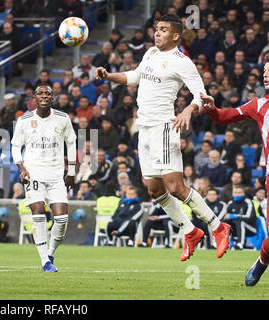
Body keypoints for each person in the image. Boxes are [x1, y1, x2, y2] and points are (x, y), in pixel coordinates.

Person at [94, 13, 230, 262]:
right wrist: (109, 76)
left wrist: (188, 109)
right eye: (157, 28)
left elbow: (202, 94)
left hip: (164, 128)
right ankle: (190, 231)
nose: (157, 32)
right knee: (154, 189)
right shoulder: (150, 53)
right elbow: (135, 76)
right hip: (143, 129)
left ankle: (217, 226)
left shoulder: (182, 62)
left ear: (176, 35)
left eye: (164, 29)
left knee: (176, 187)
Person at [200, 55, 269, 285]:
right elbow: (223, 117)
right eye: (265, 70)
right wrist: (212, 108)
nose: (266, 75)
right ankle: (262, 261)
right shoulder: (258, 105)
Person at [11, 84, 77, 272]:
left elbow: (71, 143)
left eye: (48, 93)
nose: (44, 96)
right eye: (40, 93)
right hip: (34, 174)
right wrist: (21, 168)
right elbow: (16, 146)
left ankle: (50, 253)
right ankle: (45, 262)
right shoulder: (24, 120)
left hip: (56, 176)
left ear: (52, 98)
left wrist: (71, 172)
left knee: (62, 219)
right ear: (34, 98)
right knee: (38, 212)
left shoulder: (63, 119)